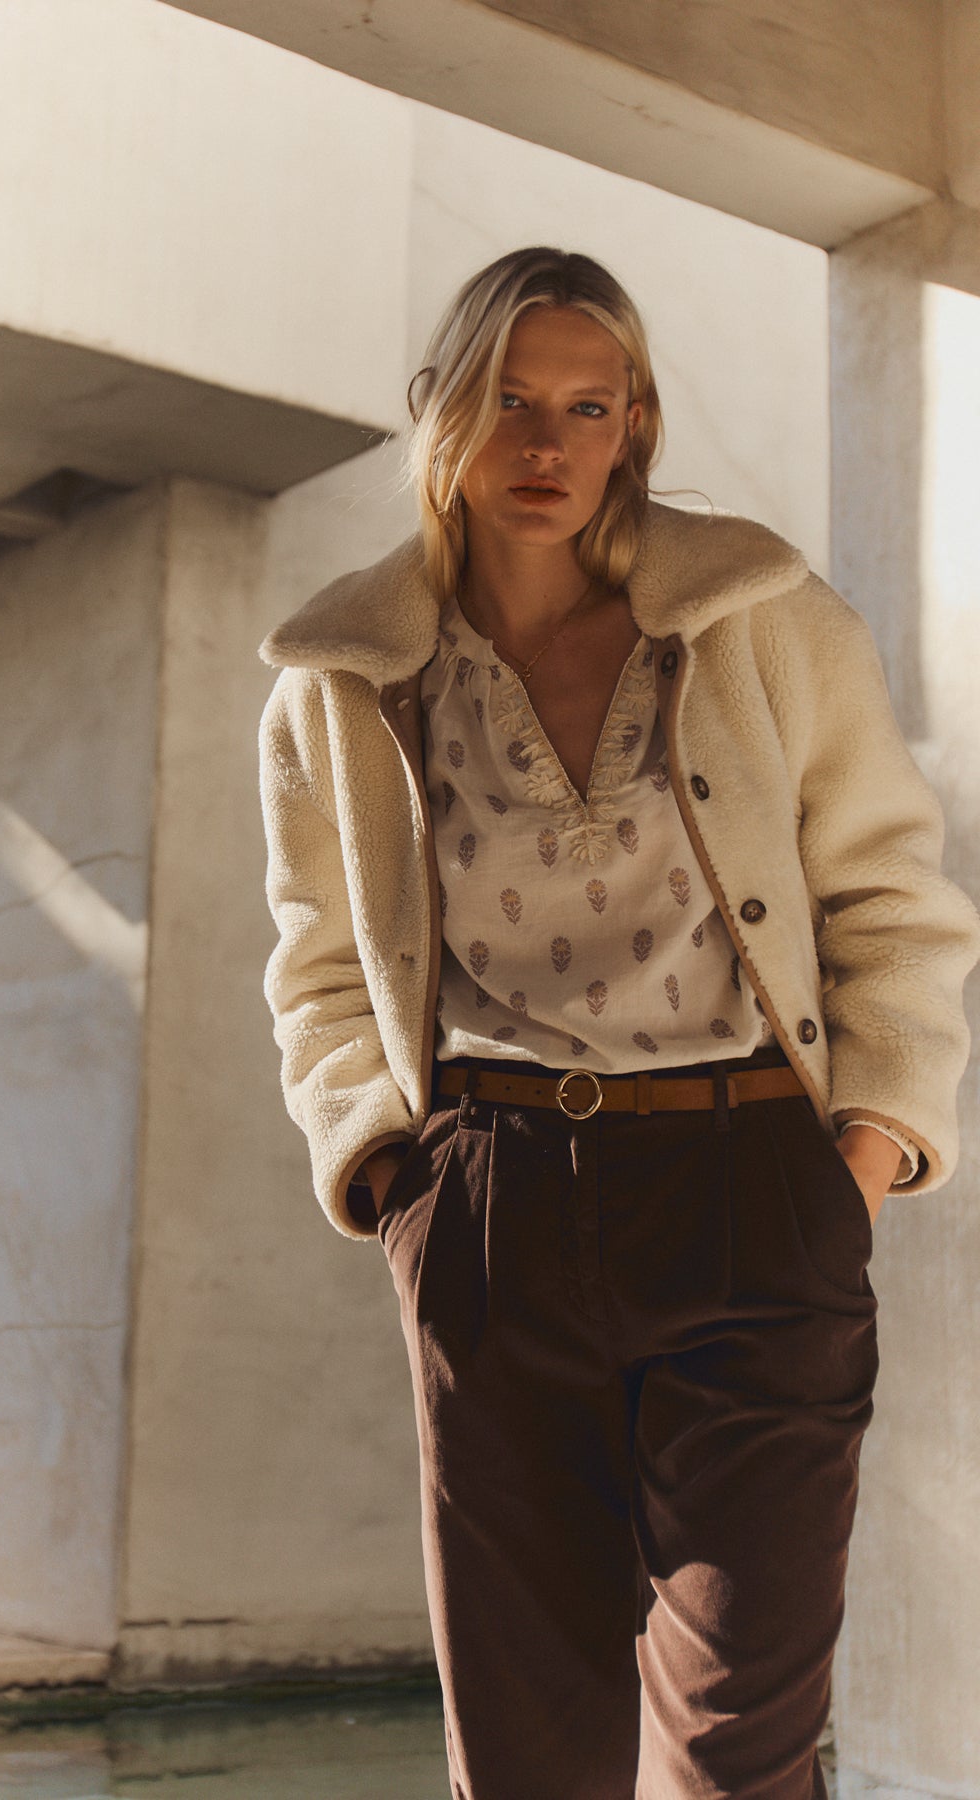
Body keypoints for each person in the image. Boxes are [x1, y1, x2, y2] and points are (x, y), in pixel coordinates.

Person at [256, 247, 980, 1799]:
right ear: (438, 413)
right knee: (528, 1756)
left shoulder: (763, 622)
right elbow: (317, 961)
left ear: (634, 422)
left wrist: (853, 1160)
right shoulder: (343, 680)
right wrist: (391, 1175)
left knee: (739, 1743)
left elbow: (892, 901)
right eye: (509, 402)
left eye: (587, 406)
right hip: (493, 1206)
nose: (545, 446)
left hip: (752, 1192)